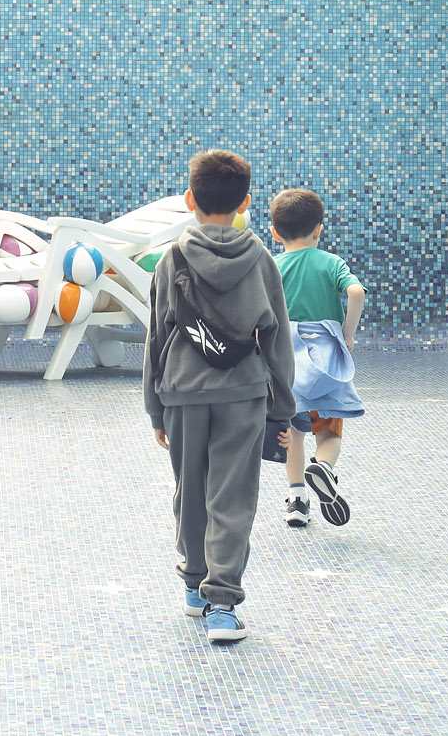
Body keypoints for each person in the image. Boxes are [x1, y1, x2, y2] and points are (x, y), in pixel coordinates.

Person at [144, 149, 295, 646]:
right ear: (246, 203)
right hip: (243, 391)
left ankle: (194, 585)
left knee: (191, 490)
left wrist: (155, 407)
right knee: (231, 496)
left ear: (190, 199)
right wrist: (283, 407)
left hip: (183, 391)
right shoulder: (263, 261)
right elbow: (277, 338)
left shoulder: (172, 259)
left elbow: (156, 336)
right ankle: (223, 605)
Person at [269, 188, 366, 528]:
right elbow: (355, 292)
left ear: (274, 232)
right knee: (328, 432)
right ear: (319, 229)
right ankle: (322, 468)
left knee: (292, 431)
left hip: (286, 360)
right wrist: (347, 333)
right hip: (324, 360)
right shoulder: (331, 263)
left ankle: (297, 499)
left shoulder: (272, 266)